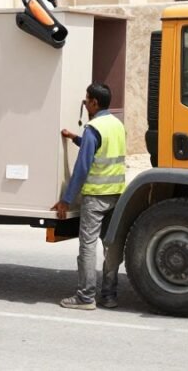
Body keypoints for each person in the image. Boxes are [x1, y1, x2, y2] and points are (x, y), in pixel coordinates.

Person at [51, 82, 126, 310]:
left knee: (88, 246)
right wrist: (75, 138)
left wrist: (66, 199)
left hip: (95, 196)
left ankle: (85, 297)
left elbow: (83, 167)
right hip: (117, 194)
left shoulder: (93, 128)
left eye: (86, 99)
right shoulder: (116, 124)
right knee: (111, 246)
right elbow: (99, 148)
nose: (84, 102)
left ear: (95, 102)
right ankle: (109, 295)